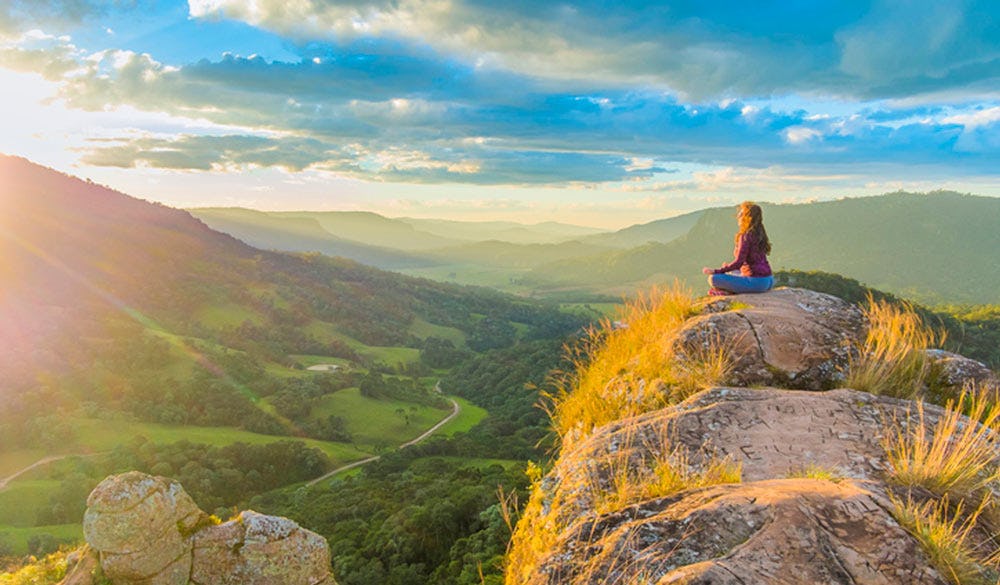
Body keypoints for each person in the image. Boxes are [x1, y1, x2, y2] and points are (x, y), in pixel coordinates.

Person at [701, 201, 773, 295]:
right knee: (732, 271)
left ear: (746, 218)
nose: (738, 216)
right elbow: (742, 265)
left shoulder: (746, 236)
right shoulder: (759, 234)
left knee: (713, 278)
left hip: (756, 282)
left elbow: (738, 262)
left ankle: (727, 291)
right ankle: (728, 290)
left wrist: (715, 271)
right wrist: (726, 268)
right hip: (768, 280)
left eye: (741, 213)